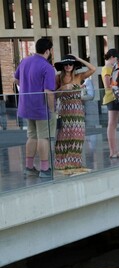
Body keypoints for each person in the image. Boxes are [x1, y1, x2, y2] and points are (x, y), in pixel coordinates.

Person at [13, 38, 56, 178]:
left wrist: (27, 86)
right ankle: (45, 169)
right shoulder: (47, 67)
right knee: (44, 137)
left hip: (26, 106)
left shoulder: (25, 61)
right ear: (48, 51)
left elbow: (16, 79)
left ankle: (29, 167)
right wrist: (53, 109)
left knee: (31, 136)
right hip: (41, 107)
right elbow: (48, 92)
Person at [53, 54, 97, 171]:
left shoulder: (79, 76)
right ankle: (61, 162)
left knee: (78, 136)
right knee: (64, 136)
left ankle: (75, 162)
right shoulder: (58, 78)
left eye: (71, 64)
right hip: (65, 109)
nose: (68, 66)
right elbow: (53, 94)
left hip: (78, 110)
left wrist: (79, 59)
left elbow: (93, 69)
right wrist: (63, 88)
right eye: (66, 64)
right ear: (63, 66)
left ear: (74, 65)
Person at [101, 49, 119, 159]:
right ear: (112, 57)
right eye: (116, 58)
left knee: (114, 125)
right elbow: (107, 84)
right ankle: (113, 151)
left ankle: (115, 150)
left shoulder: (110, 68)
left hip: (113, 97)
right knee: (112, 124)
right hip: (112, 97)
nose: (117, 60)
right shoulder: (107, 68)